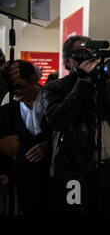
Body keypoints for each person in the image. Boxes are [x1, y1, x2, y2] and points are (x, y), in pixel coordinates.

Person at [42, 35, 110, 215]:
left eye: (91, 56)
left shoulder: (105, 86)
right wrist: (82, 83)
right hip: (74, 173)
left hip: (107, 171)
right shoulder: (55, 87)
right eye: (81, 55)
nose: (88, 60)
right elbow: (58, 121)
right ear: (67, 61)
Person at [0, 60, 51, 214]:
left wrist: (50, 145)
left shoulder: (55, 103)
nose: (15, 92)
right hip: (24, 187)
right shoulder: (6, 112)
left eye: (18, 86)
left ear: (32, 79)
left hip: (56, 184)